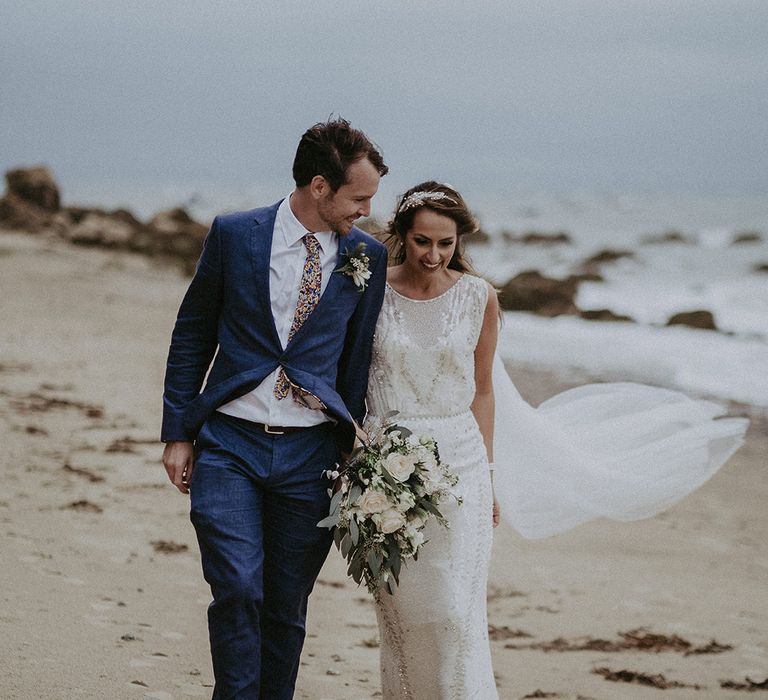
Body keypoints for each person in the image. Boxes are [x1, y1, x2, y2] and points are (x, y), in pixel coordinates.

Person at [366, 181, 748, 699]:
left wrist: (491, 476)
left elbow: (483, 392)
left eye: (446, 244)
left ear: (460, 242)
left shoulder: (479, 298)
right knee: (405, 614)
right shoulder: (370, 290)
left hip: (461, 469)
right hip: (385, 468)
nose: (434, 255)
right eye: (422, 242)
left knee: (454, 613)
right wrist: (359, 458)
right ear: (401, 236)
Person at [160, 117, 389, 699]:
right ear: (319, 186)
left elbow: (356, 360)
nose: (365, 210)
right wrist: (178, 432)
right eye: (358, 198)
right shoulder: (236, 234)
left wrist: (352, 451)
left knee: (286, 606)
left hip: (311, 455)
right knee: (238, 587)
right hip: (229, 443)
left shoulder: (367, 256)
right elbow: (193, 333)